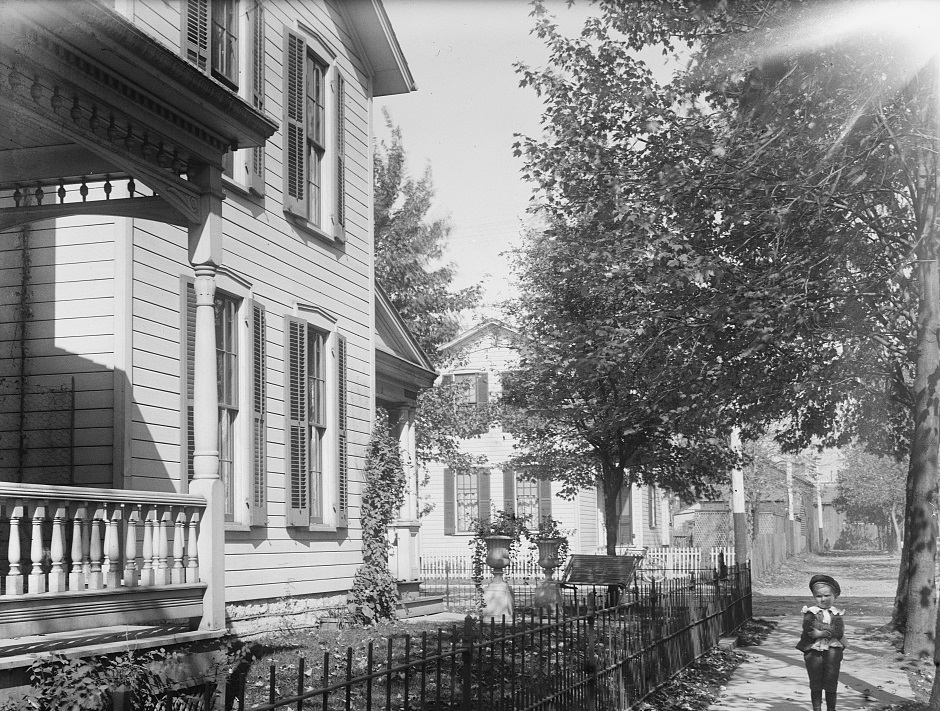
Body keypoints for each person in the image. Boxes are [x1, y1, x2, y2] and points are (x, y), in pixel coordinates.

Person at [796, 574, 845, 711]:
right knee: (815, 681)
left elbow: (839, 632)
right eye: (819, 596)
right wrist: (828, 629)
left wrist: (821, 631)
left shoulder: (837, 614)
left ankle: (831, 709)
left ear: (834, 596)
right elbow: (809, 629)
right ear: (814, 597)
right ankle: (816, 708)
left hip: (833, 651)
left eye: (827, 595)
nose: (823, 599)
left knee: (831, 681)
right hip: (813, 651)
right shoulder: (810, 612)